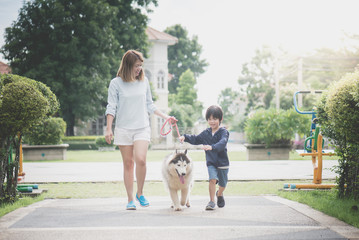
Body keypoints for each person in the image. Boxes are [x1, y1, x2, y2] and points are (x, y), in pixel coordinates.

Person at [105, 50, 173, 210]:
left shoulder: (144, 82)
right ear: (128, 65)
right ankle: (130, 199)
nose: (139, 69)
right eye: (137, 66)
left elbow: (150, 104)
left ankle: (140, 193)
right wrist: (109, 128)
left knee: (141, 160)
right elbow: (111, 106)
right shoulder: (116, 83)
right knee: (128, 164)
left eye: (141, 66)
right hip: (123, 129)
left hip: (142, 127)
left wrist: (166, 116)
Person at [179, 105, 229, 210]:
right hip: (211, 162)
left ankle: (219, 194)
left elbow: (222, 143)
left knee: (223, 184)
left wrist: (212, 147)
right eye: (209, 119)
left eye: (215, 119)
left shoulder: (224, 132)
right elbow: (196, 139)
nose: (212, 122)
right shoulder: (206, 133)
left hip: (223, 163)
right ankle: (211, 201)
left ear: (220, 119)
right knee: (212, 179)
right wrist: (185, 137)